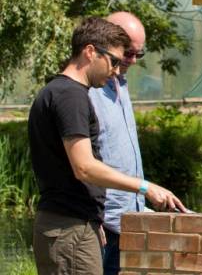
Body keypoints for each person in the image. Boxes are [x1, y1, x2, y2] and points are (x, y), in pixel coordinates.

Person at [29, 17, 186, 274]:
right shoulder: (70, 97)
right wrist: (145, 187)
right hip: (69, 231)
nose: (115, 70)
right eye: (113, 61)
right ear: (90, 52)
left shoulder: (58, 91)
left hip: (75, 224)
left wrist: (92, 216)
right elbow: (85, 168)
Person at [88, 12, 148, 275]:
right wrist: (92, 216)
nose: (132, 61)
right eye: (127, 53)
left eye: (139, 54)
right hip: (103, 224)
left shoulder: (120, 84)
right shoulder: (87, 91)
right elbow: (81, 162)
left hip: (130, 220)